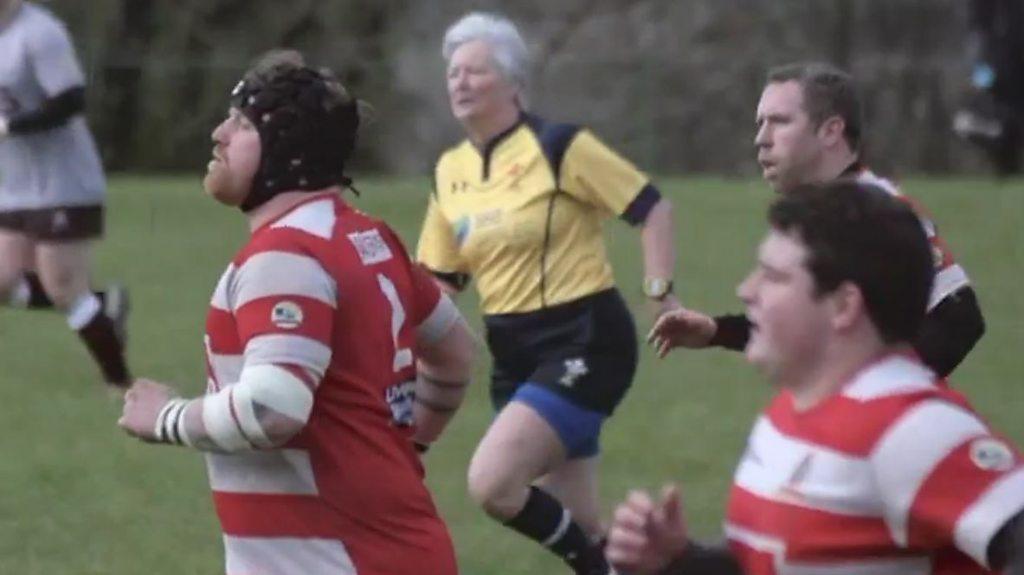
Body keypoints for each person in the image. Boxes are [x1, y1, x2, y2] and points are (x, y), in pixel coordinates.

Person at [118, 52, 476, 575]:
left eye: (240, 124)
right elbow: (455, 356)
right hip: (399, 549)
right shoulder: (368, 238)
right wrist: (403, 448)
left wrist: (167, 417)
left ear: (283, 149)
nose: (218, 134)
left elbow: (272, 409)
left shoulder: (285, 256)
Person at [606, 181, 1024, 575]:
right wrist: (680, 561)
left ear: (843, 306)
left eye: (774, 277)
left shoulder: (912, 429)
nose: (746, 290)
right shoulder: (788, 413)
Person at [415, 11, 681, 575]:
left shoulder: (561, 147)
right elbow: (437, 283)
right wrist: (390, 346)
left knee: (493, 484)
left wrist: (661, 294)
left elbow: (652, 207)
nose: (460, 82)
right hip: (514, 354)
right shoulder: (449, 172)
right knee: (581, 522)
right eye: (453, 72)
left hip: (584, 339)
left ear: (513, 82)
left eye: (476, 71)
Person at [650, 62, 984, 379]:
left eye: (779, 121)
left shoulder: (880, 212)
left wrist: (875, 398)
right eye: (760, 123)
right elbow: (812, 330)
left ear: (830, 131)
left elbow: (959, 318)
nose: (761, 139)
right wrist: (717, 331)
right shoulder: (816, 218)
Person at [0, 0, 130, 389]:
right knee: (2, 280)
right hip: (13, 185)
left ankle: (120, 384)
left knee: (62, 287)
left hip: (63, 183)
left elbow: (70, 99)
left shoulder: (39, 32)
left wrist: (11, 126)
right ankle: (103, 305)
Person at [952, 0, 1024, 176]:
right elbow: (981, 28)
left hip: (1004, 60)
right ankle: (1005, 159)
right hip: (1000, 63)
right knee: (989, 119)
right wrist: (981, 81)